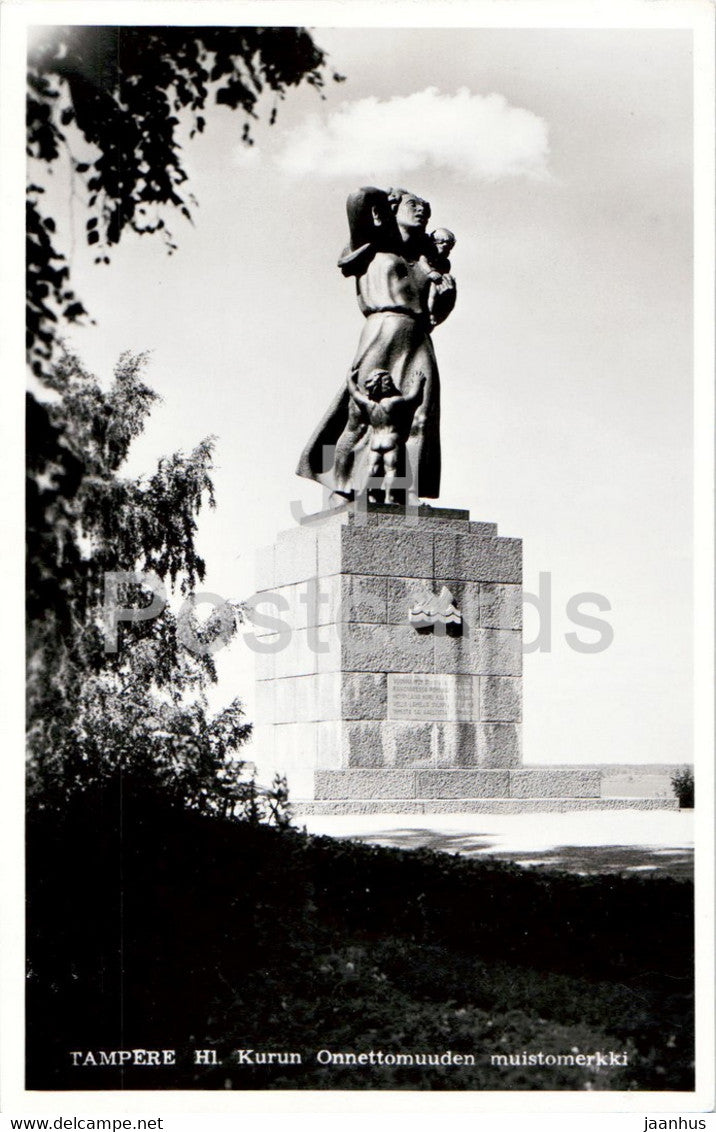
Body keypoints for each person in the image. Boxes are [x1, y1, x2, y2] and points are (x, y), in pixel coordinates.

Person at [296, 187, 456, 502]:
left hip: (418, 336)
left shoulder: (425, 262)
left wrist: (445, 295)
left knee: (420, 414)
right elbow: (358, 198)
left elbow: (435, 313)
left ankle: (402, 494)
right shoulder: (370, 242)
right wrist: (385, 199)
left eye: (426, 206)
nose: (422, 209)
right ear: (392, 208)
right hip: (382, 330)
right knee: (360, 416)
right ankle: (344, 487)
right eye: (413, 204)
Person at [346, 369, 426, 504]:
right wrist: (418, 382)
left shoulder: (369, 405)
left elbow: (354, 393)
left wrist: (349, 379)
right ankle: (390, 498)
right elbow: (414, 398)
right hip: (391, 441)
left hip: (375, 442)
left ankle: (367, 496)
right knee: (391, 470)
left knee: (372, 469)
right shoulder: (394, 402)